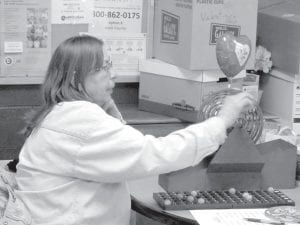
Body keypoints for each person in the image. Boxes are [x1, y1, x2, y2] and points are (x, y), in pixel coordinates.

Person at [15, 35, 254, 225]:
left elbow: (119, 149)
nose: (114, 74)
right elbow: (156, 153)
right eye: (104, 67)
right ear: (77, 79)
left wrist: (108, 109)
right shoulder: (80, 119)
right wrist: (221, 121)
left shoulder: (61, 113)